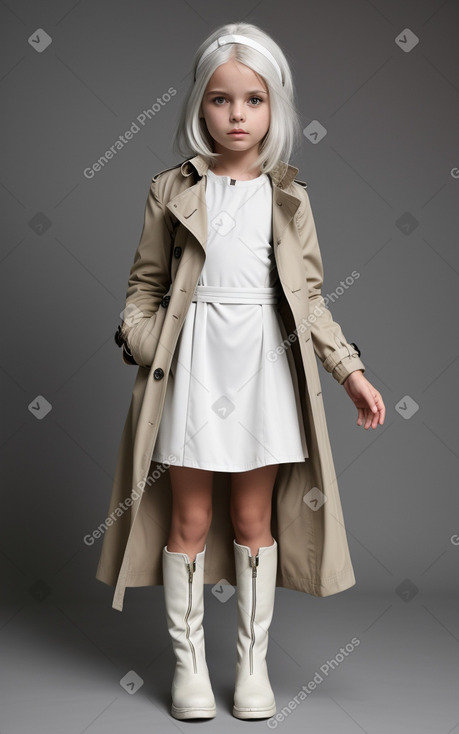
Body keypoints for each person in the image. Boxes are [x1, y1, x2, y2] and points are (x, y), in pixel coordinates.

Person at [101, 21, 385, 722]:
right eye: (221, 99)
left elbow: (310, 297)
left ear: (274, 107)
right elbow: (142, 288)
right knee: (191, 516)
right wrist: (147, 343)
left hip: (263, 367)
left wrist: (348, 371)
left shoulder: (289, 197)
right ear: (199, 105)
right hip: (194, 366)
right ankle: (189, 669)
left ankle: (251, 669)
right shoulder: (170, 189)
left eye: (252, 100)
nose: (236, 115)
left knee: (255, 516)